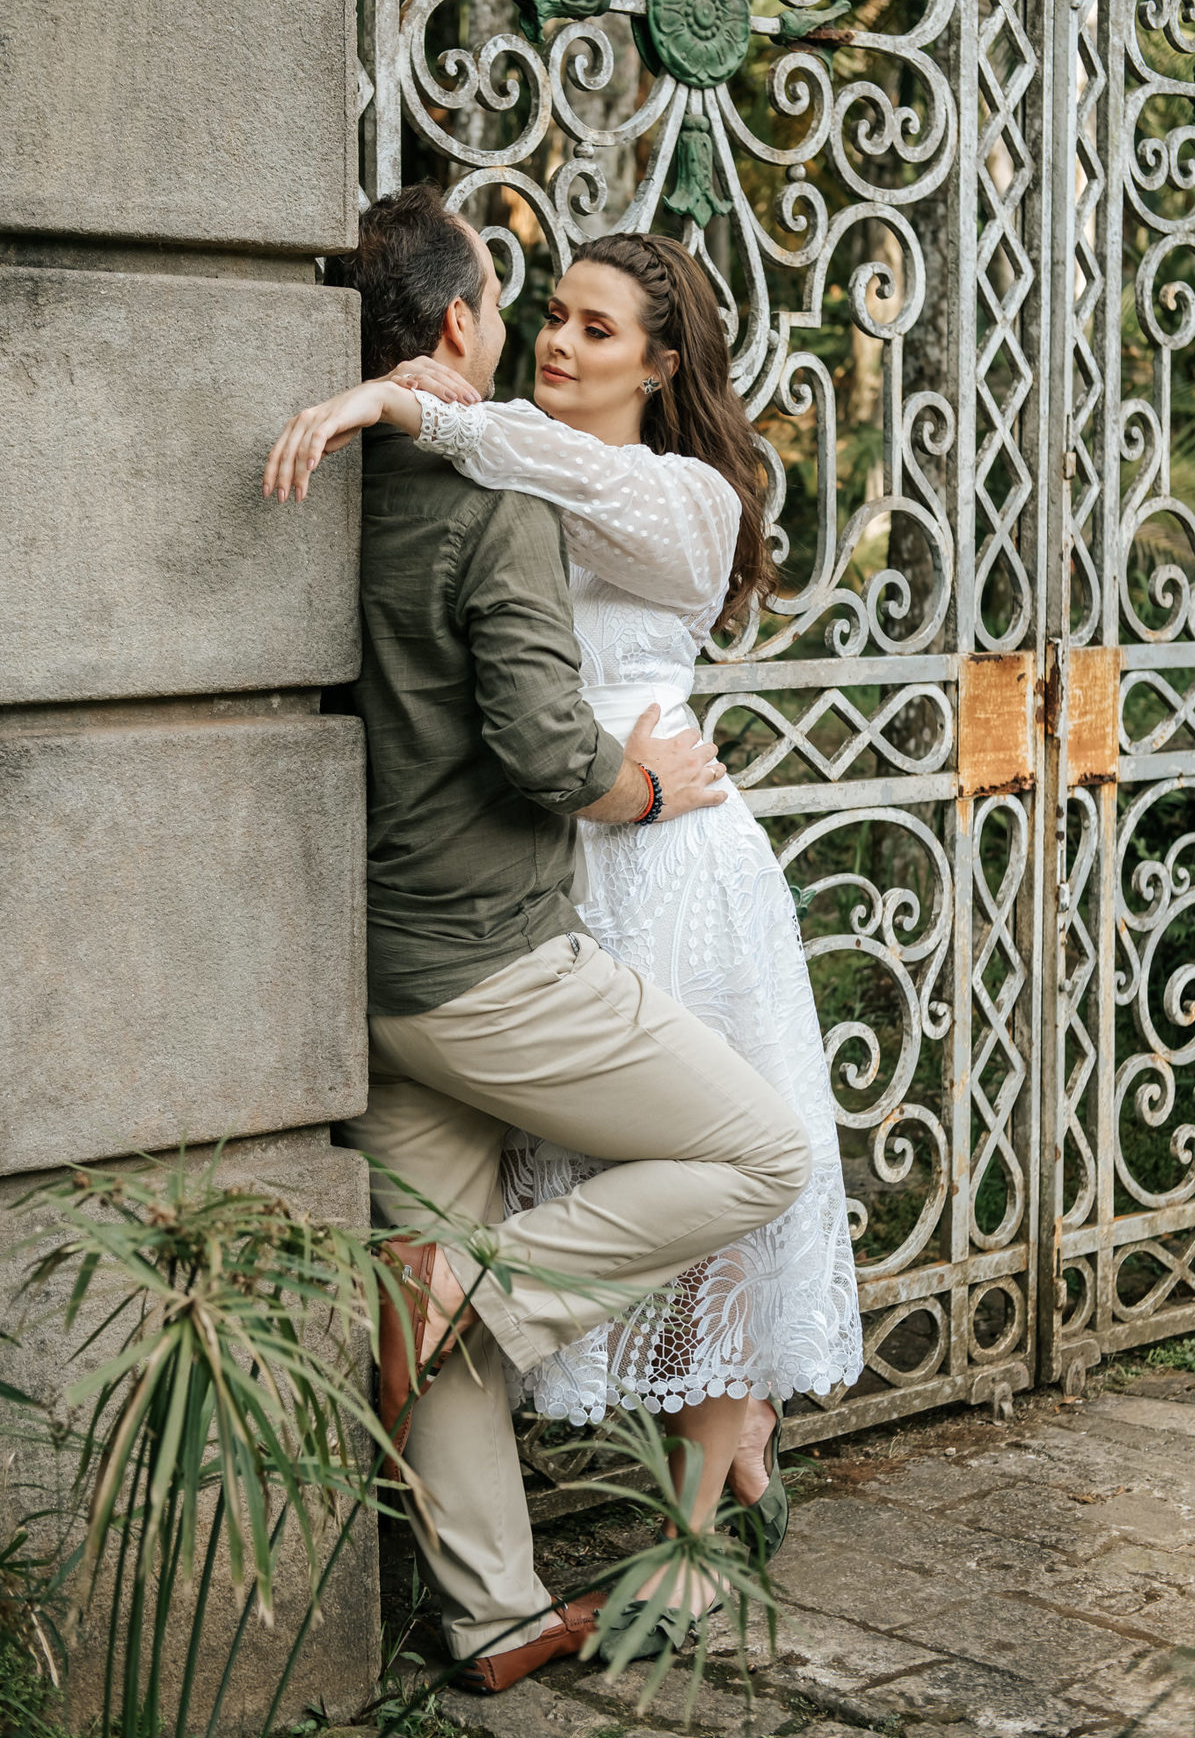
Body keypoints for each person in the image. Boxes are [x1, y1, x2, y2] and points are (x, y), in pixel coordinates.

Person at [263, 187, 813, 1688]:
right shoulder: (483, 475)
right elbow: (530, 727)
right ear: (462, 323)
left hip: (492, 915)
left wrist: (403, 400)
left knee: (464, 1253)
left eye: (592, 323)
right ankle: (485, 1321)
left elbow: (540, 465)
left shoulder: (566, 479)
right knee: (725, 1166)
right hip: (518, 917)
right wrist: (622, 784)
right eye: (536, 311)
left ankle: (523, 1601)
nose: (548, 341)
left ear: (662, 359)